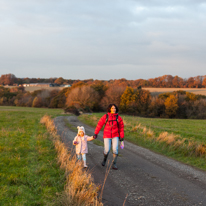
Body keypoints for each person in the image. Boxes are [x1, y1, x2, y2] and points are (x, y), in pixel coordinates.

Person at [93, 104, 124, 170]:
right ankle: (104, 160)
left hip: (115, 136)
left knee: (115, 149)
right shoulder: (105, 116)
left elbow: (121, 128)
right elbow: (99, 125)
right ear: (110, 109)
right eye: (112, 108)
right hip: (107, 136)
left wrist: (121, 137)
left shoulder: (118, 118)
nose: (114, 109)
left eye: (115, 108)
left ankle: (114, 164)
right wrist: (96, 133)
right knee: (107, 150)